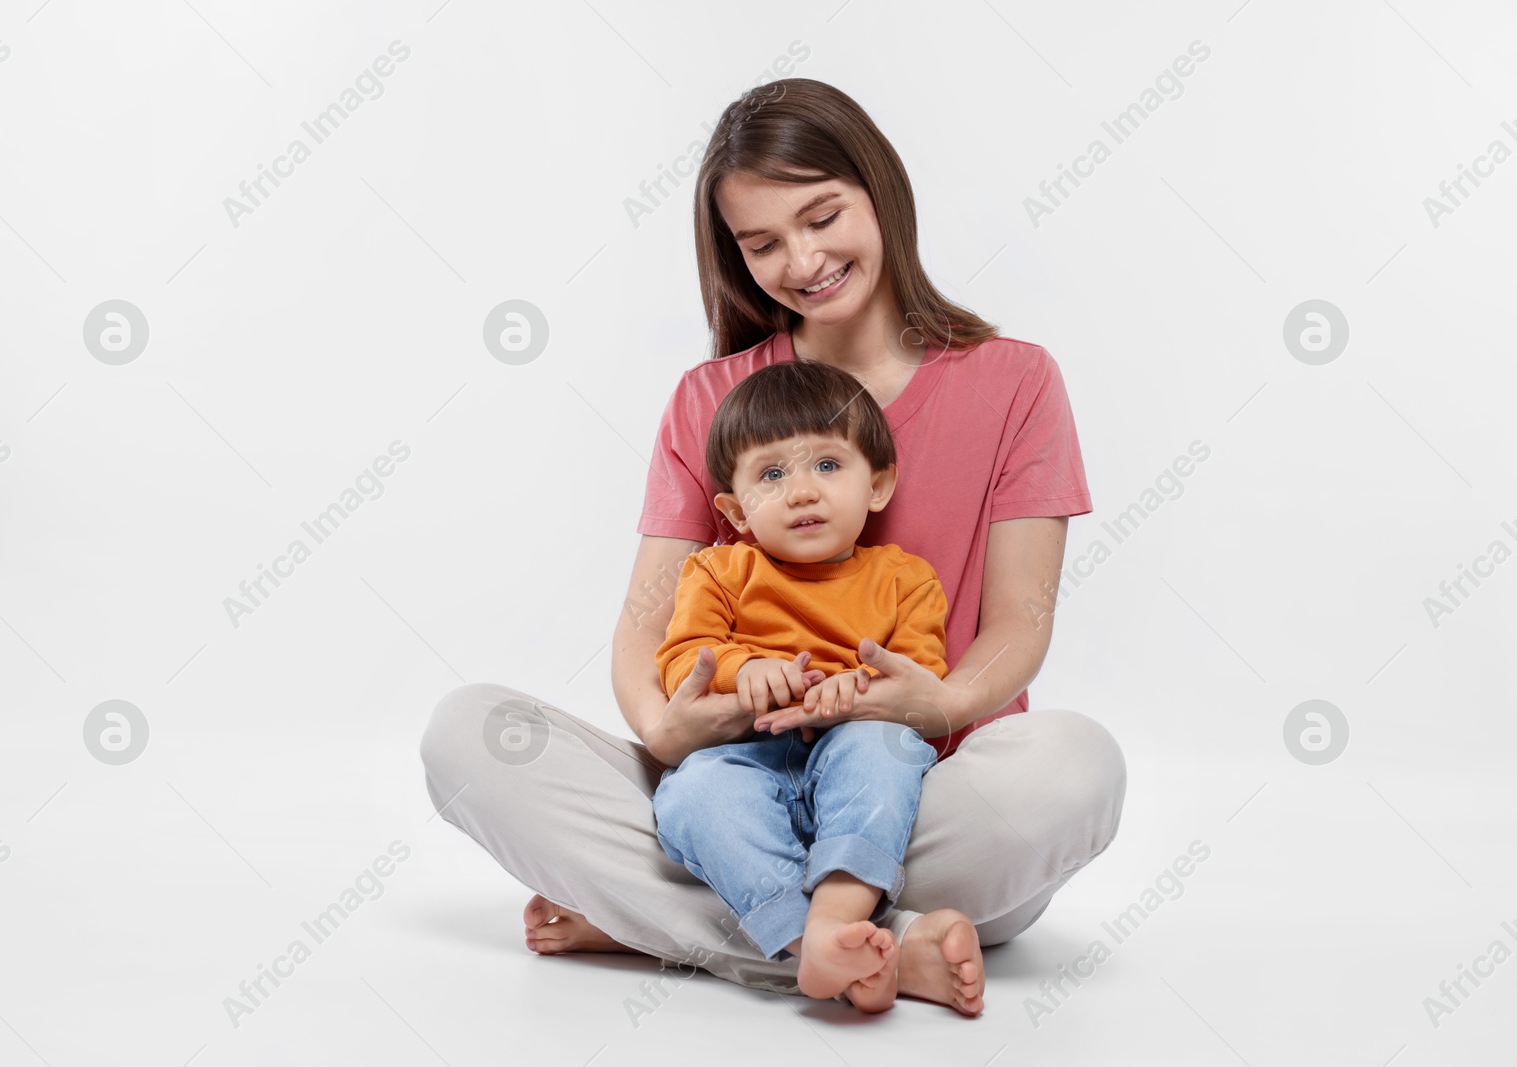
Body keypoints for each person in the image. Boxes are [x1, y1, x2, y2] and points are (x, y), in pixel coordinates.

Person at [420, 77, 1127, 1018]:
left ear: (881, 190)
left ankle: (665, 923)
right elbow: (646, 625)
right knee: (471, 735)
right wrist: (664, 725)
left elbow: (1021, 619)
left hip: (931, 796)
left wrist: (942, 699)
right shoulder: (708, 397)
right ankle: (875, 945)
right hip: (742, 783)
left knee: (1076, 765)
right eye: (762, 244)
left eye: (822, 215)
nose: (803, 259)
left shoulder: (1015, 380)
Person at [652, 357, 950, 1013]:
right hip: (743, 753)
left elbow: (923, 679)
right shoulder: (719, 569)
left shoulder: (906, 578)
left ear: (878, 484)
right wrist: (741, 668)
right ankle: (807, 941)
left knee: (883, 748)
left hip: (852, 746)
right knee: (696, 792)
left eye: (827, 465)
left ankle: (837, 918)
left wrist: (858, 689)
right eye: (772, 475)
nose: (803, 491)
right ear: (732, 509)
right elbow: (681, 659)